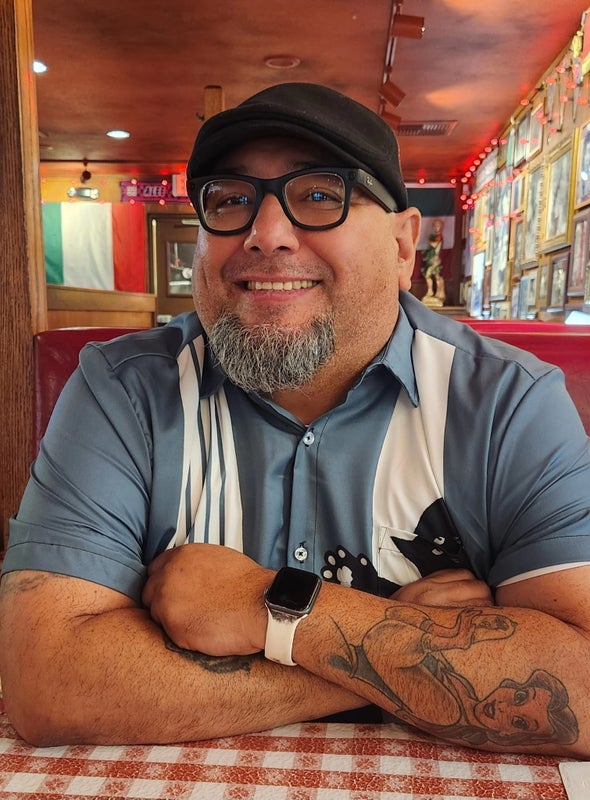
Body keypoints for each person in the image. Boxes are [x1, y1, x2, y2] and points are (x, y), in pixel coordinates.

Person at [1, 83, 589, 757]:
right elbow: (47, 679)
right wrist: (398, 638)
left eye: (318, 194)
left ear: (403, 246)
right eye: (230, 199)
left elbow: (581, 683)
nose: (266, 234)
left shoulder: (509, 403)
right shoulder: (124, 392)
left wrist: (265, 605)